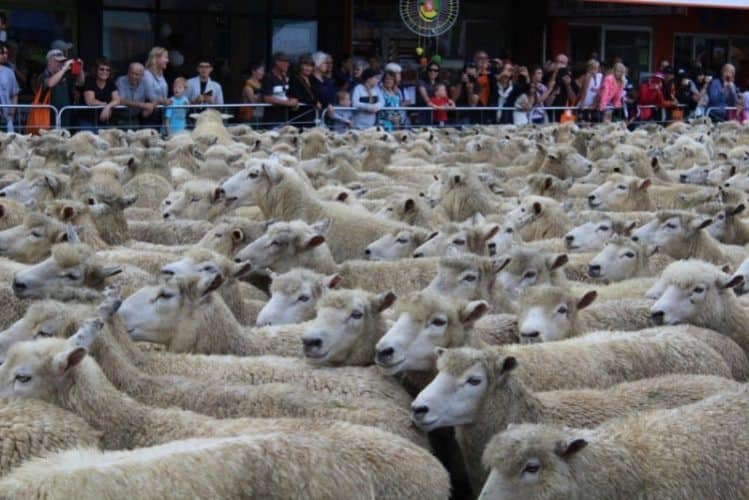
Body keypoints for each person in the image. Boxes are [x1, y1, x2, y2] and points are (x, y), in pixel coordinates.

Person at [40, 48, 84, 128]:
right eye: (58, 61)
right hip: (48, 120)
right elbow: (50, 83)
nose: (61, 64)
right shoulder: (44, 75)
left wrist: (80, 69)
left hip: (64, 119)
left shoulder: (64, 75)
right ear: (49, 62)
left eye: (62, 61)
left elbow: (80, 83)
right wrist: (64, 69)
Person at [81, 57, 119, 130]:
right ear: (96, 70)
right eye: (102, 69)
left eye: (108, 70)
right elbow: (90, 101)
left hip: (104, 121)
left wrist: (108, 107)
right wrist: (105, 105)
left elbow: (117, 100)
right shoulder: (90, 80)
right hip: (87, 120)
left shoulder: (110, 83)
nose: (105, 72)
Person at [261, 52, 298, 128]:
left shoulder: (284, 78)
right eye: (286, 62)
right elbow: (267, 98)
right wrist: (288, 103)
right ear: (277, 62)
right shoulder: (268, 77)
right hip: (272, 119)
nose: (288, 64)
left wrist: (293, 100)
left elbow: (286, 94)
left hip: (285, 118)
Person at [544, 53, 579, 122]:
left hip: (566, 113)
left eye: (562, 63)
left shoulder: (568, 76)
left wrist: (568, 85)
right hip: (550, 113)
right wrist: (554, 73)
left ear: (566, 65)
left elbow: (574, 98)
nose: (559, 65)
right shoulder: (548, 75)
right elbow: (545, 91)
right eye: (557, 62)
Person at [142, 46, 170, 129]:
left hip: (160, 114)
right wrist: (164, 101)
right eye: (165, 57)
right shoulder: (147, 74)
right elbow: (149, 96)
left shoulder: (161, 74)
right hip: (150, 114)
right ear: (157, 58)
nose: (167, 60)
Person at [288, 54, 320, 127]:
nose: (308, 68)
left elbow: (318, 94)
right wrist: (314, 102)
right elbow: (297, 96)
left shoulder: (313, 79)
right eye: (306, 65)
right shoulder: (294, 79)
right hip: (299, 115)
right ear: (300, 66)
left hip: (311, 115)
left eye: (310, 66)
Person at [116, 62, 151, 127]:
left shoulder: (144, 82)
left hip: (136, 119)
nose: (133, 76)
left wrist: (152, 105)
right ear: (128, 72)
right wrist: (141, 105)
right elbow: (121, 100)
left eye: (137, 74)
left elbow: (151, 97)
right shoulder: (121, 81)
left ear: (142, 75)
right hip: (120, 120)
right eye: (132, 73)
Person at [0, 42, 18, 131]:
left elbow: (14, 94)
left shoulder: (9, 72)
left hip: (6, 117)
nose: (4, 56)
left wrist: (12, 111)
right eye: (1, 53)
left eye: (6, 53)